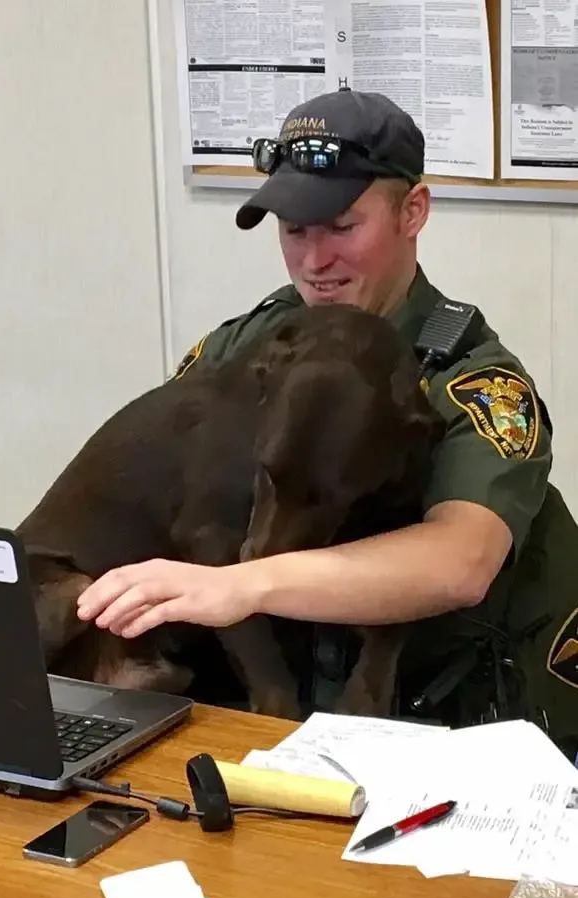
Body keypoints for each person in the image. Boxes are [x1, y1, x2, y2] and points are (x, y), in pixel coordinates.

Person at [76, 88, 578, 756]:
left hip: (445, 737)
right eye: (295, 231)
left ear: (413, 212)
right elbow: (159, 479)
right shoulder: (247, 347)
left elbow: (461, 559)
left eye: (342, 227)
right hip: (274, 729)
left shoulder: (472, 382)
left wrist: (244, 582)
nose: (316, 262)